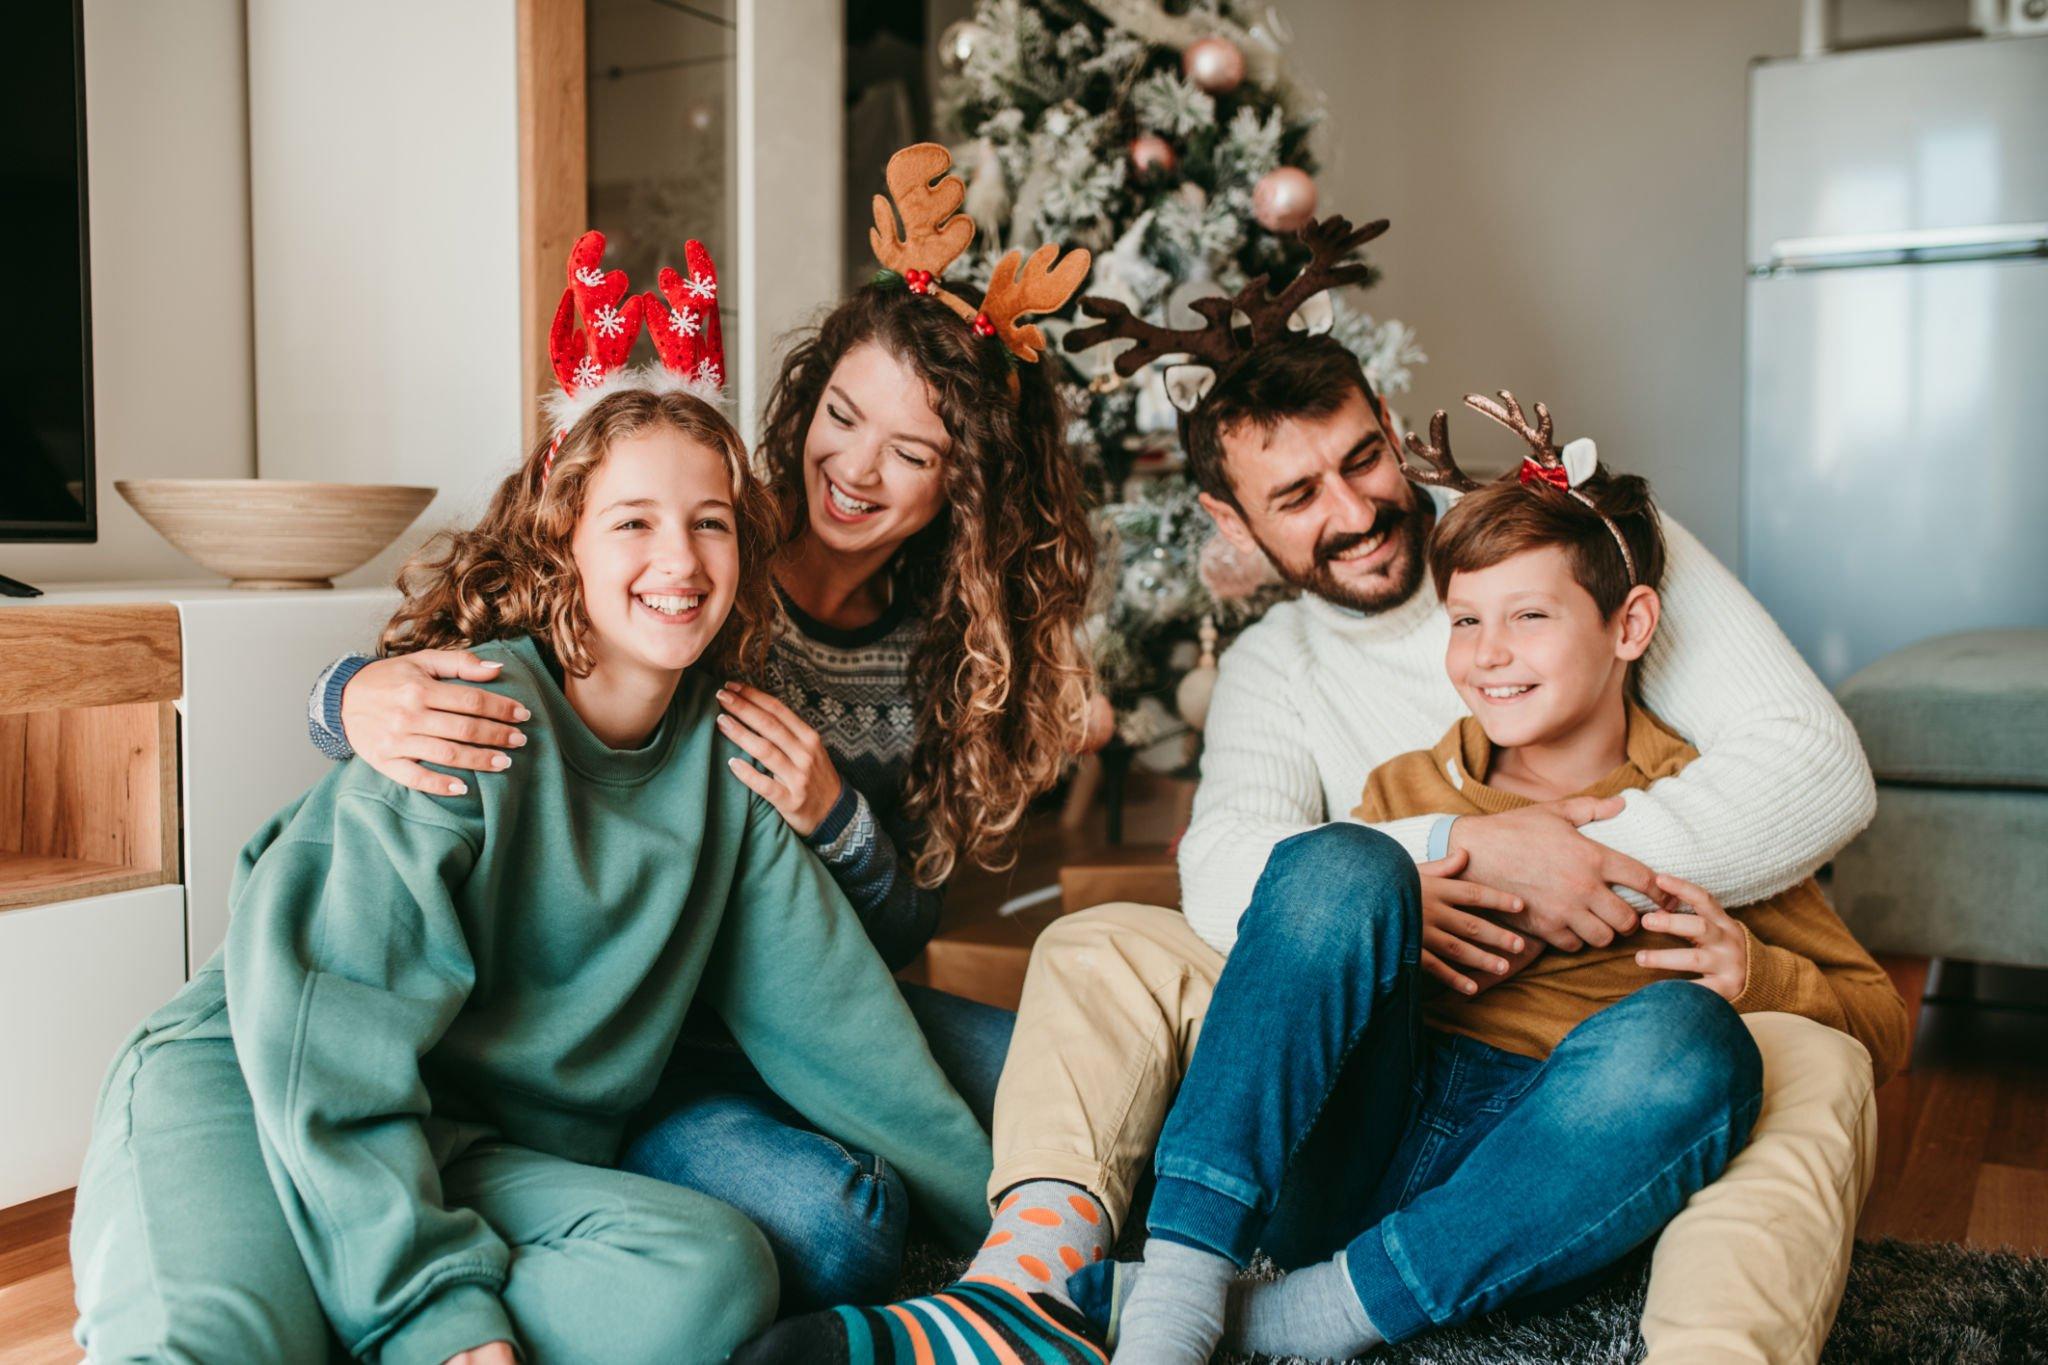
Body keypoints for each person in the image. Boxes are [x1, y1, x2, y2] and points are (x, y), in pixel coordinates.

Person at [749, 222, 1883, 1365]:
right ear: (1231, 526)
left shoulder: (1576, 545)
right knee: (1119, 939)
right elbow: (1240, 868)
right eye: (1293, 496)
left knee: (1771, 1055)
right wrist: (1452, 859)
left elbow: (1816, 773)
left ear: (1391, 432)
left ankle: (1654, 1339)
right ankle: (1046, 1287)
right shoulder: (1288, 681)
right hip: (1387, 1044)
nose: (1349, 512)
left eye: (1358, 461)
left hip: (1591, 1054)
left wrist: (1581, 876)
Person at [70, 245, 993, 1365]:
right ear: (564, 538)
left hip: (474, 1150)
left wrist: (1023, 1245)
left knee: (712, 1275)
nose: (680, 559)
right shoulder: (471, 713)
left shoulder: (729, 764)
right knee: (224, 1346)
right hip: (262, 1086)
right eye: (634, 522)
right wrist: (430, 1310)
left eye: (710, 523)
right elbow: (330, 1036)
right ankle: (367, 1305)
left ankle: (373, 1310)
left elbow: (854, 1045)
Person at [297, 145, 1099, 1310]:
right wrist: (342, 697)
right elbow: (458, 667)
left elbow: (907, 920)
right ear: (804, 403)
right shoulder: (680, 546)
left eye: (912, 453)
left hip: (831, 1006)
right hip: (652, 1037)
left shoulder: (942, 647)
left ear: (961, 488)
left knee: (1071, 1090)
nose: (857, 469)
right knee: (843, 1229)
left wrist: (835, 819)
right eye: (841, 417)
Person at [1087, 396, 1910, 1363]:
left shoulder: (1702, 804)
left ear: (1630, 625)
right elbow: (1301, 949)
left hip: (1540, 1166)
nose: (1487, 653)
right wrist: (1416, 880)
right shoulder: (1409, 784)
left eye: (1529, 616)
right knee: (1337, 859)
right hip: (1367, 1127)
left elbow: (1879, 1016)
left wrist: (1754, 975)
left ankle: (1304, 1316)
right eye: (1464, 619)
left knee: (1694, 1043)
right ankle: (1179, 1297)